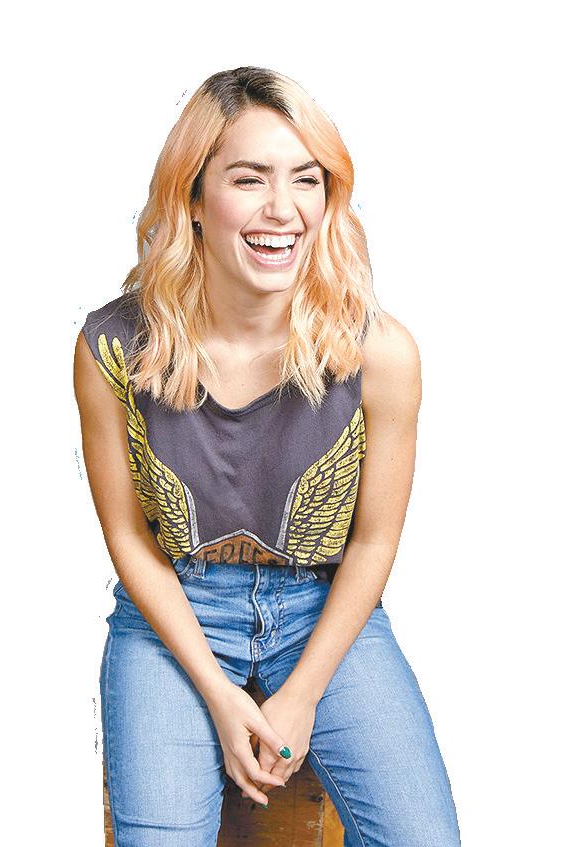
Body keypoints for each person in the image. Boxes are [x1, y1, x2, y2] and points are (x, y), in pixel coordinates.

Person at [73, 66, 461, 847]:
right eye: (248, 178)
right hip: (172, 614)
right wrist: (221, 699)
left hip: (322, 608)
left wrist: (303, 693)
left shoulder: (380, 352)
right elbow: (128, 536)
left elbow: (373, 541)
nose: (282, 209)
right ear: (191, 195)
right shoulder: (112, 346)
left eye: (305, 179)